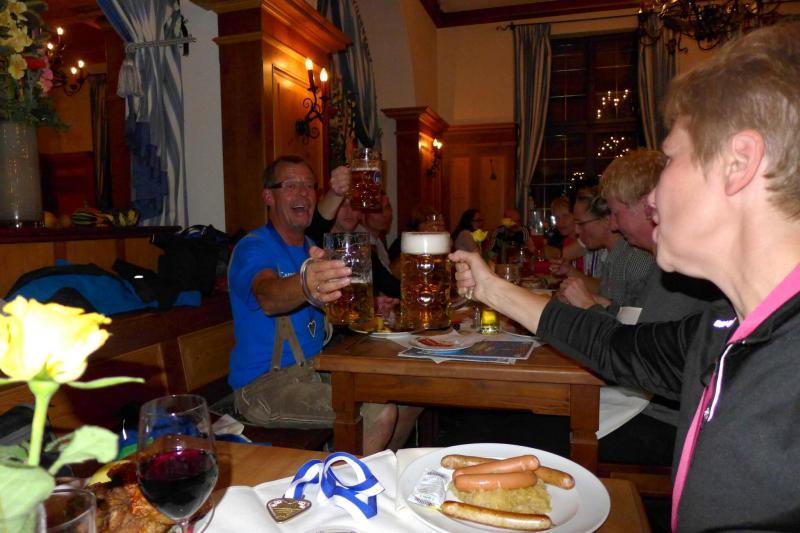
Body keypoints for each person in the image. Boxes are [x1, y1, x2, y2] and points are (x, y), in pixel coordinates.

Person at [451, 22, 800, 530]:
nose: (652, 197)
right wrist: (491, 289)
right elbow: (614, 346)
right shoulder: (727, 327)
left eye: (671, 160)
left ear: (738, 163)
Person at [227, 155, 403, 454]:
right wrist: (305, 283)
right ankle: (341, 481)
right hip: (264, 386)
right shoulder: (254, 247)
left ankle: (372, 469)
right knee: (379, 412)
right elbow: (267, 296)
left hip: (315, 369)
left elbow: (332, 311)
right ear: (268, 196)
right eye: (290, 185)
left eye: (309, 186)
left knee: (403, 394)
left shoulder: (311, 247)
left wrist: (369, 306)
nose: (303, 193)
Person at [558, 192, 655, 310]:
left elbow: (635, 318)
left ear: (605, 221)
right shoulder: (610, 255)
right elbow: (610, 302)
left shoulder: (636, 260)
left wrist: (587, 302)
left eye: (581, 224)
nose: (577, 231)